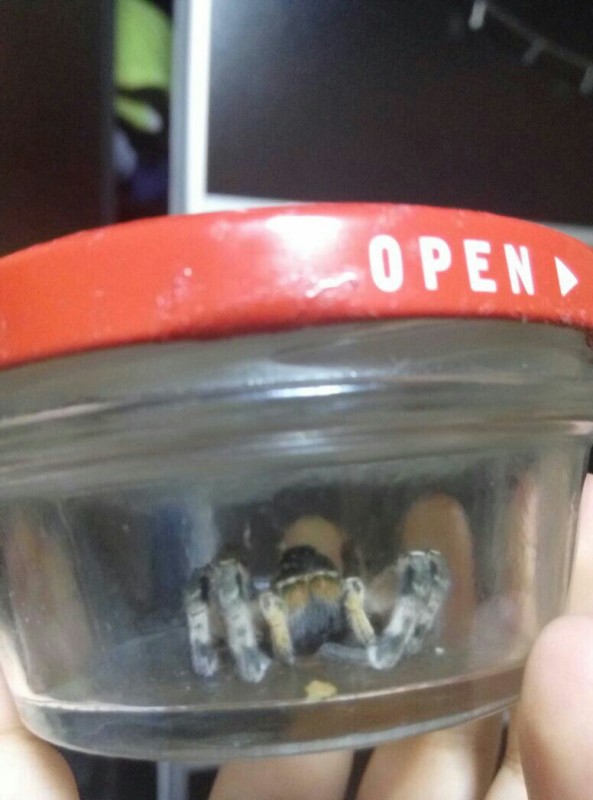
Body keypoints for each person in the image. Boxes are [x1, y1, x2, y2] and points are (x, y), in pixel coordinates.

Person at [2, 476, 593, 800]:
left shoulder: (352, 590)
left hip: (334, 594)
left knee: (429, 564)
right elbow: (214, 585)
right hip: (288, 602)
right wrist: (223, 657)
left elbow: (426, 575)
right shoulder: (259, 599)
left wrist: (395, 644)